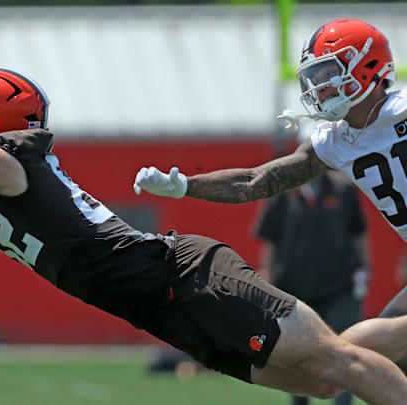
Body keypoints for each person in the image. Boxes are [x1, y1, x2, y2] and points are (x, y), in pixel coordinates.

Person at [0, 67, 407, 404]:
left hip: (189, 276)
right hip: (168, 314)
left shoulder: (8, 164)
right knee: (323, 382)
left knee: (341, 363)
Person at [133, 18, 407, 328]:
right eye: (315, 76)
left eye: (329, 73)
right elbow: (256, 181)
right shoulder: (334, 141)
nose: (320, 85)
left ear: (367, 65)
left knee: (369, 356)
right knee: (370, 357)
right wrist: (185, 185)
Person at [254, 167, 370, 405]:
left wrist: (364, 266)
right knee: (298, 356)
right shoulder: (282, 190)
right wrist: (268, 276)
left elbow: (358, 231)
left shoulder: (343, 188)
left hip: (340, 286)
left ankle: (343, 403)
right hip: (295, 289)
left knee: (344, 349)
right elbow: (271, 239)